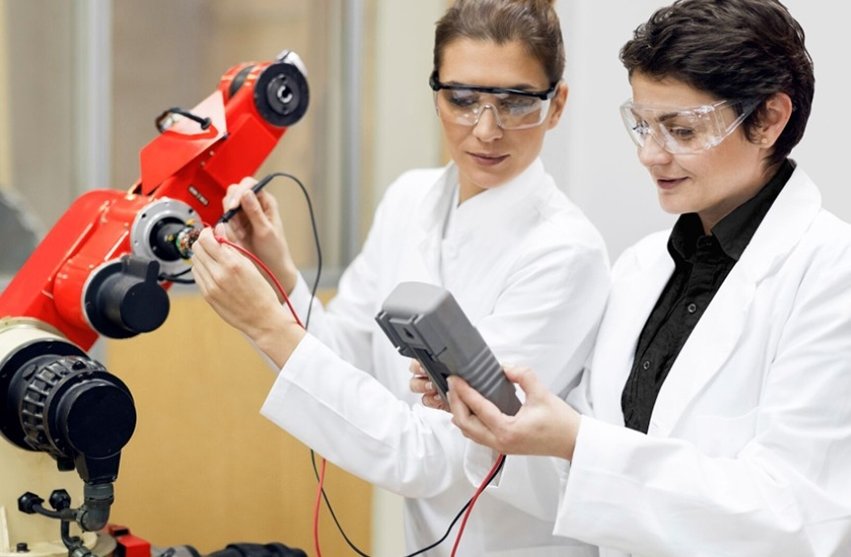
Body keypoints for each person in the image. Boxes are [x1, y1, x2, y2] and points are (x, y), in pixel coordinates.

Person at [191, 0, 609, 555]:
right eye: (462, 99)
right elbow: (348, 352)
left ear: (556, 105)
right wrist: (279, 275)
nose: (485, 129)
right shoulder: (410, 200)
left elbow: (437, 455)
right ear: (437, 93)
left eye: (515, 102)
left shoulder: (564, 253)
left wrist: (268, 325)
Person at [441, 0, 851, 555]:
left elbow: (795, 518)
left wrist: (579, 442)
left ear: (769, 119)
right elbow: (583, 487)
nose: (651, 155)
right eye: (643, 125)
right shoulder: (641, 268)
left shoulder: (831, 274)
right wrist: (503, 424)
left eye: (681, 129)